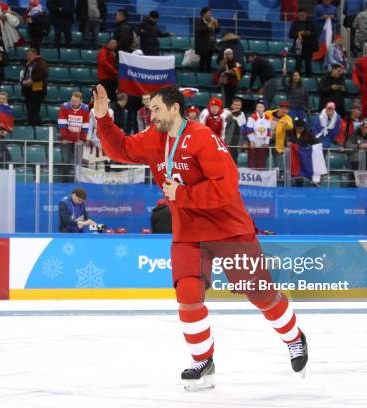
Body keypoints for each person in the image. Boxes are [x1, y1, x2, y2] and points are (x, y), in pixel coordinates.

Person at [93, 84, 308, 390]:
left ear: (174, 108)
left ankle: (294, 337)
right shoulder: (153, 138)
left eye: (156, 109)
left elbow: (227, 185)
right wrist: (103, 120)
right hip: (188, 232)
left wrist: (183, 193)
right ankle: (203, 360)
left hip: (228, 229)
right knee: (188, 296)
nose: (150, 115)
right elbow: (123, 149)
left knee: (260, 294)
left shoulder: (202, 137)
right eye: (149, 109)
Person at [58, 91, 89, 180]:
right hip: (66, 140)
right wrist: (63, 137)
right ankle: (65, 181)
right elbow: (62, 123)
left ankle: (79, 181)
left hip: (79, 141)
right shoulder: (64, 107)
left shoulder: (85, 108)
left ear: (80, 101)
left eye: (76, 101)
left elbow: (85, 125)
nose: (73, 103)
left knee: (79, 162)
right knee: (66, 162)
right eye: (72, 100)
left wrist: (82, 139)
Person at [21, 48, 48, 126]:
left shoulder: (41, 63)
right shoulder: (29, 64)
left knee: (34, 110)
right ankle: (32, 125)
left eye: (29, 55)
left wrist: (32, 80)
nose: (27, 57)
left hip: (37, 91)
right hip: (29, 91)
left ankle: (36, 126)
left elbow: (43, 73)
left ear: (34, 54)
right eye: (27, 55)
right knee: (30, 110)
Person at [289, 8, 318, 77]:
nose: (301, 16)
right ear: (298, 15)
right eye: (300, 15)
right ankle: (296, 79)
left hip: (309, 47)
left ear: (306, 15)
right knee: (298, 64)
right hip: (298, 46)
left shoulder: (311, 23)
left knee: (308, 64)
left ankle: (309, 79)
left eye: (303, 15)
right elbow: (290, 35)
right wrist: (298, 34)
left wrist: (308, 33)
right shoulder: (294, 23)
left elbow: (316, 34)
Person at [245, 99, 271, 169]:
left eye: (261, 107)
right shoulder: (252, 117)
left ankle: (261, 175)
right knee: (251, 159)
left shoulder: (268, 118)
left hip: (262, 143)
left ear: (264, 108)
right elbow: (248, 130)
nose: (259, 109)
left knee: (261, 160)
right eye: (258, 107)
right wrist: (251, 141)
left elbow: (268, 131)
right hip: (253, 141)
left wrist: (266, 142)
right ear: (256, 108)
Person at [267, 101, 293, 170]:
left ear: (288, 110)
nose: (284, 110)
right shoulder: (268, 113)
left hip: (278, 144)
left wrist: (286, 124)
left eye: (286, 109)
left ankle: (279, 179)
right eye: (282, 108)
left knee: (278, 166)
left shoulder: (288, 118)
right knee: (263, 163)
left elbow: (290, 126)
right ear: (279, 108)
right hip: (265, 142)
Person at [194, 7, 219, 73]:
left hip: (211, 45)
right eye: (208, 13)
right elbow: (199, 30)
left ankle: (208, 76)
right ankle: (201, 76)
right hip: (203, 46)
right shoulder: (198, 21)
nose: (210, 14)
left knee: (209, 62)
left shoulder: (211, 21)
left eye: (210, 13)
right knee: (202, 61)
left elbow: (217, 31)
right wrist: (209, 25)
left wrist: (217, 25)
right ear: (203, 13)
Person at [223, 97, 248, 163]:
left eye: (239, 105)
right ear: (231, 105)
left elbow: (244, 130)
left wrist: (245, 142)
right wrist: (230, 114)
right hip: (226, 143)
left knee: (233, 164)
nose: (237, 106)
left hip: (237, 145)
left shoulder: (242, 114)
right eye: (235, 105)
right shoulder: (225, 112)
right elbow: (223, 125)